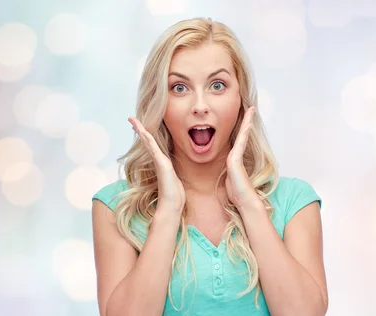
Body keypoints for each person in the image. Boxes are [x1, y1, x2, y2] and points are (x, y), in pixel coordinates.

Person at [91, 17, 328, 316]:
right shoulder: (116, 207)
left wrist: (248, 204)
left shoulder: (295, 200)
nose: (199, 105)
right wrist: (169, 209)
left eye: (217, 85)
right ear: (159, 102)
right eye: (179, 88)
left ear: (240, 99)